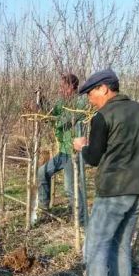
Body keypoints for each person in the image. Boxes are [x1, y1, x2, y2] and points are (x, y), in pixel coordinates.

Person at [67, 69, 139, 276]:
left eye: (91, 93)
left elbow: (94, 158)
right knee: (121, 246)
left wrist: (82, 146)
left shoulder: (103, 116)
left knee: (96, 246)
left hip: (114, 190)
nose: (89, 99)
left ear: (104, 88)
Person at [36, 72, 87, 224]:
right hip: (64, 151)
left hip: (74, 152)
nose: (60, 89)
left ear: (72, 87)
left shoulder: (80, 103)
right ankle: (44, 209)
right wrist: (41, 100)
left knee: (70, 187)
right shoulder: (62, 101)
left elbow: (63, 121)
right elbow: (52, 112)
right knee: (42, 173)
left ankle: (80, 219)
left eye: (63, 87)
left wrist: (50, 119)